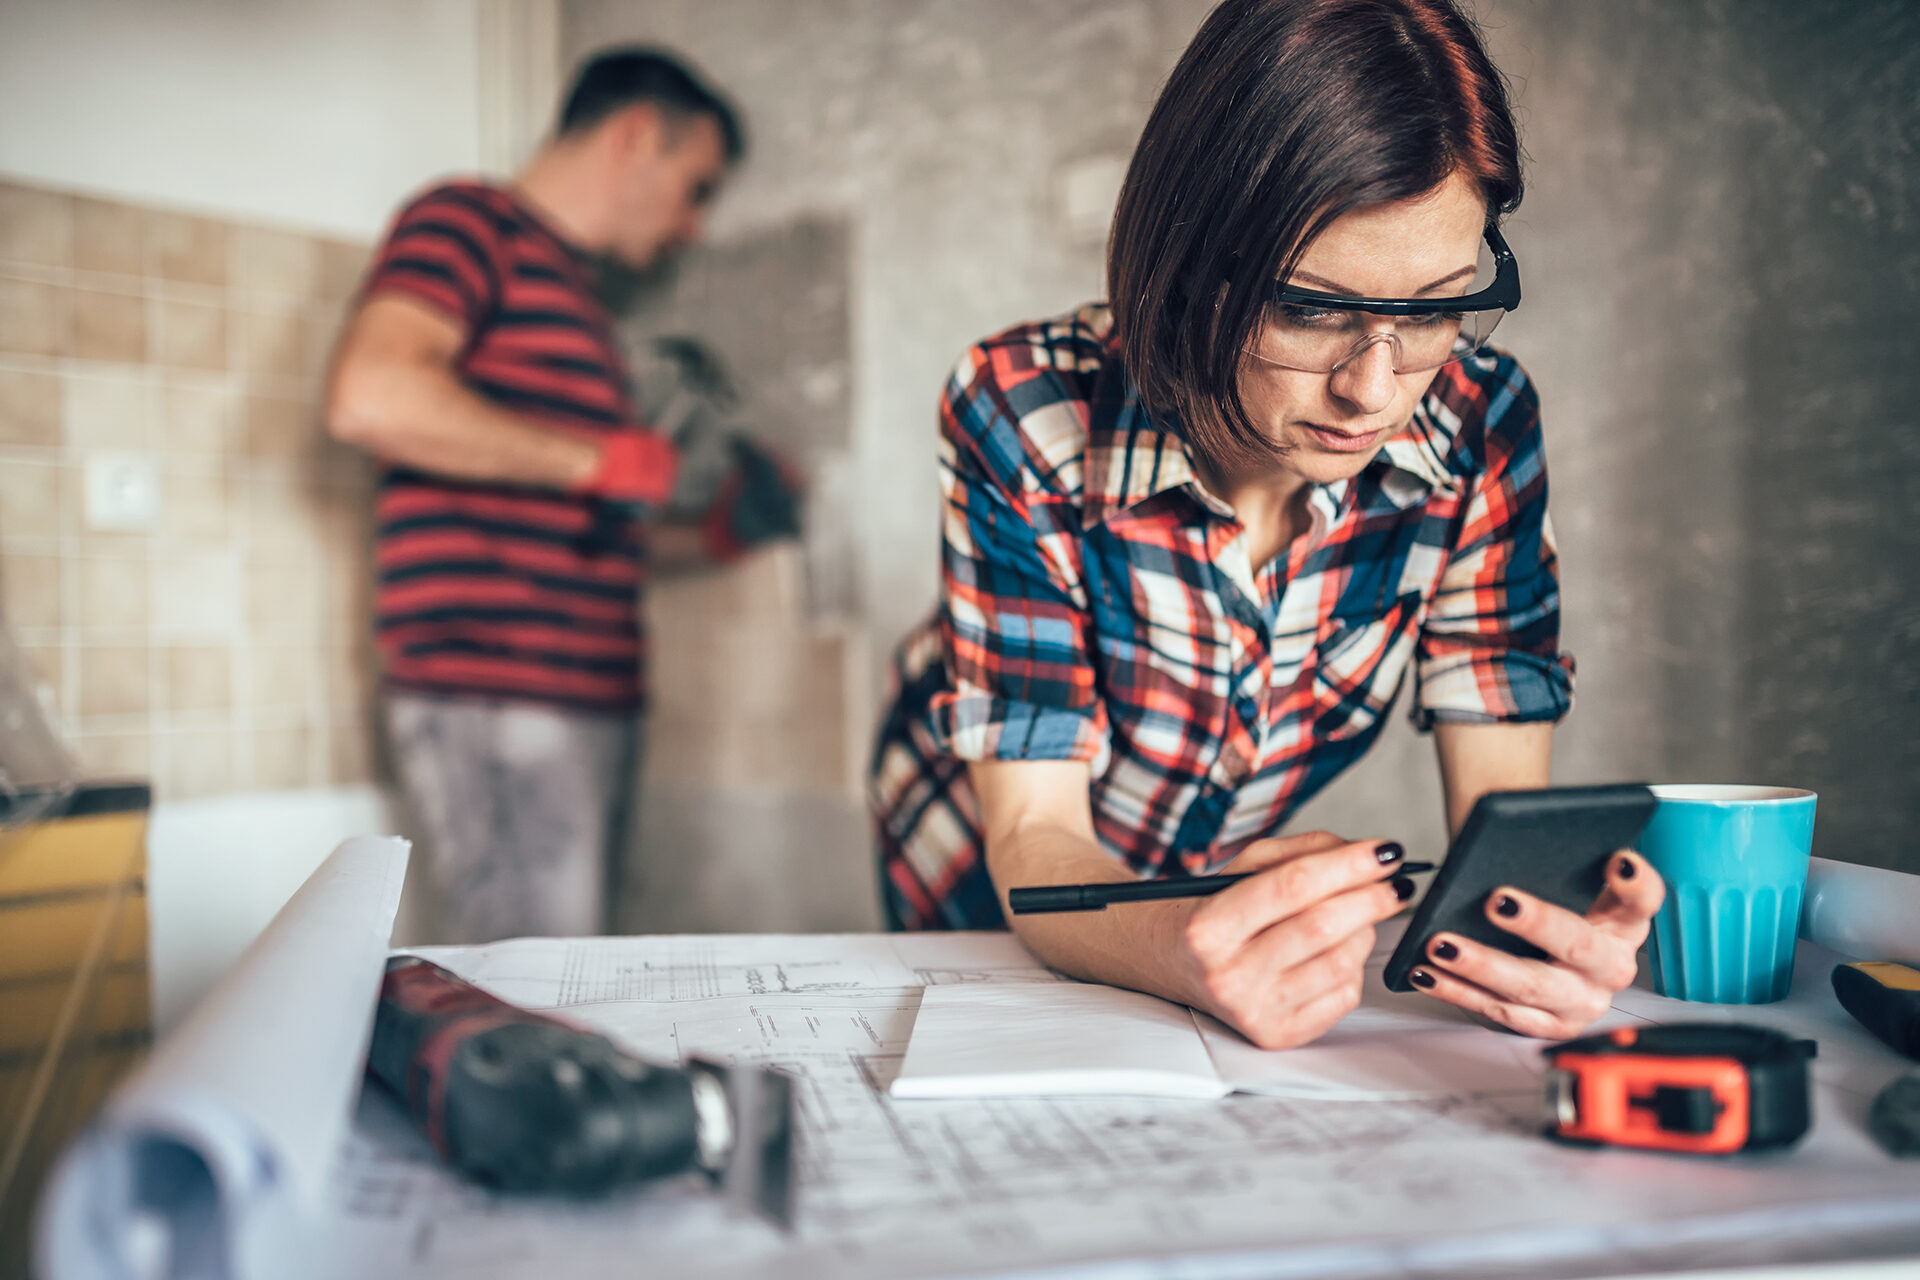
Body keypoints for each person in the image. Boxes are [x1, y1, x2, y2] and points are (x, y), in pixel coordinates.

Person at [868, 0, 1666, 1050]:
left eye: (1434, 306)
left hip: (1202, 885)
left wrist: (1529, 942)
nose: (1377, 390)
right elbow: (1034, 833)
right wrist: (1181, 934)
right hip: (983, 863)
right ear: (1191, 262)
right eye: (1312, 309)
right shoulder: (1023, 406)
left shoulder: (1482, 421)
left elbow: (1503, 833)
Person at [326, 48, 797, 943]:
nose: (693, 224)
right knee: (530, 991)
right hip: (497, 686)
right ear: (635, 135)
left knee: (560, 972)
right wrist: (598, 461)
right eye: (697, 186)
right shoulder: (465, 223)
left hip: (577, 698)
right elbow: (369, 394)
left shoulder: (580, 307)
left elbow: (580, 514)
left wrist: (718, 535)